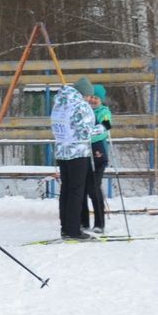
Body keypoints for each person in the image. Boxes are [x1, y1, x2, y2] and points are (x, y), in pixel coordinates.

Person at [51, 77, 99, 242]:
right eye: (88, 95)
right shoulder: (80, 105)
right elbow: (86, 132)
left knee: (66, 190)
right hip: (78, 151)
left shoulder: (59, 103)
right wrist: (104, 127)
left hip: (62, 151)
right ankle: (73, 230)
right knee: (77, 191)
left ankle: (65, 228)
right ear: (84, 93)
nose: (88, 99)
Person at [80, 84, 112, 232]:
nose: (93, 100)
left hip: (98, 153)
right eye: (91, 97)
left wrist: (91, 134)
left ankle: (99, 223)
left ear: (101, 100)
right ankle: (84, 222)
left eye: (96, 98)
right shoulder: (84, 111)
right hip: (84, 152)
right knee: (83, 188)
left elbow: (106, 127)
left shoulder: (103, 112)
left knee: (94, 188)